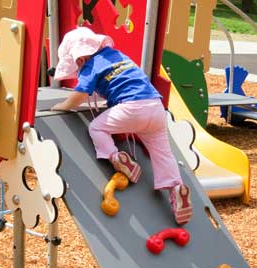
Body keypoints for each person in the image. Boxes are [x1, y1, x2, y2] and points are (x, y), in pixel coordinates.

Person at [51, 26, 193, 225]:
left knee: (97, 128)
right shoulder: (116, 56)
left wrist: (63, 106)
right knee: (162, 152)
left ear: (80, 58)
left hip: (132, 108)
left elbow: (80, 94)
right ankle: (176, 187)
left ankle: (116, 157)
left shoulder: (90, 65)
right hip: (155, 107)